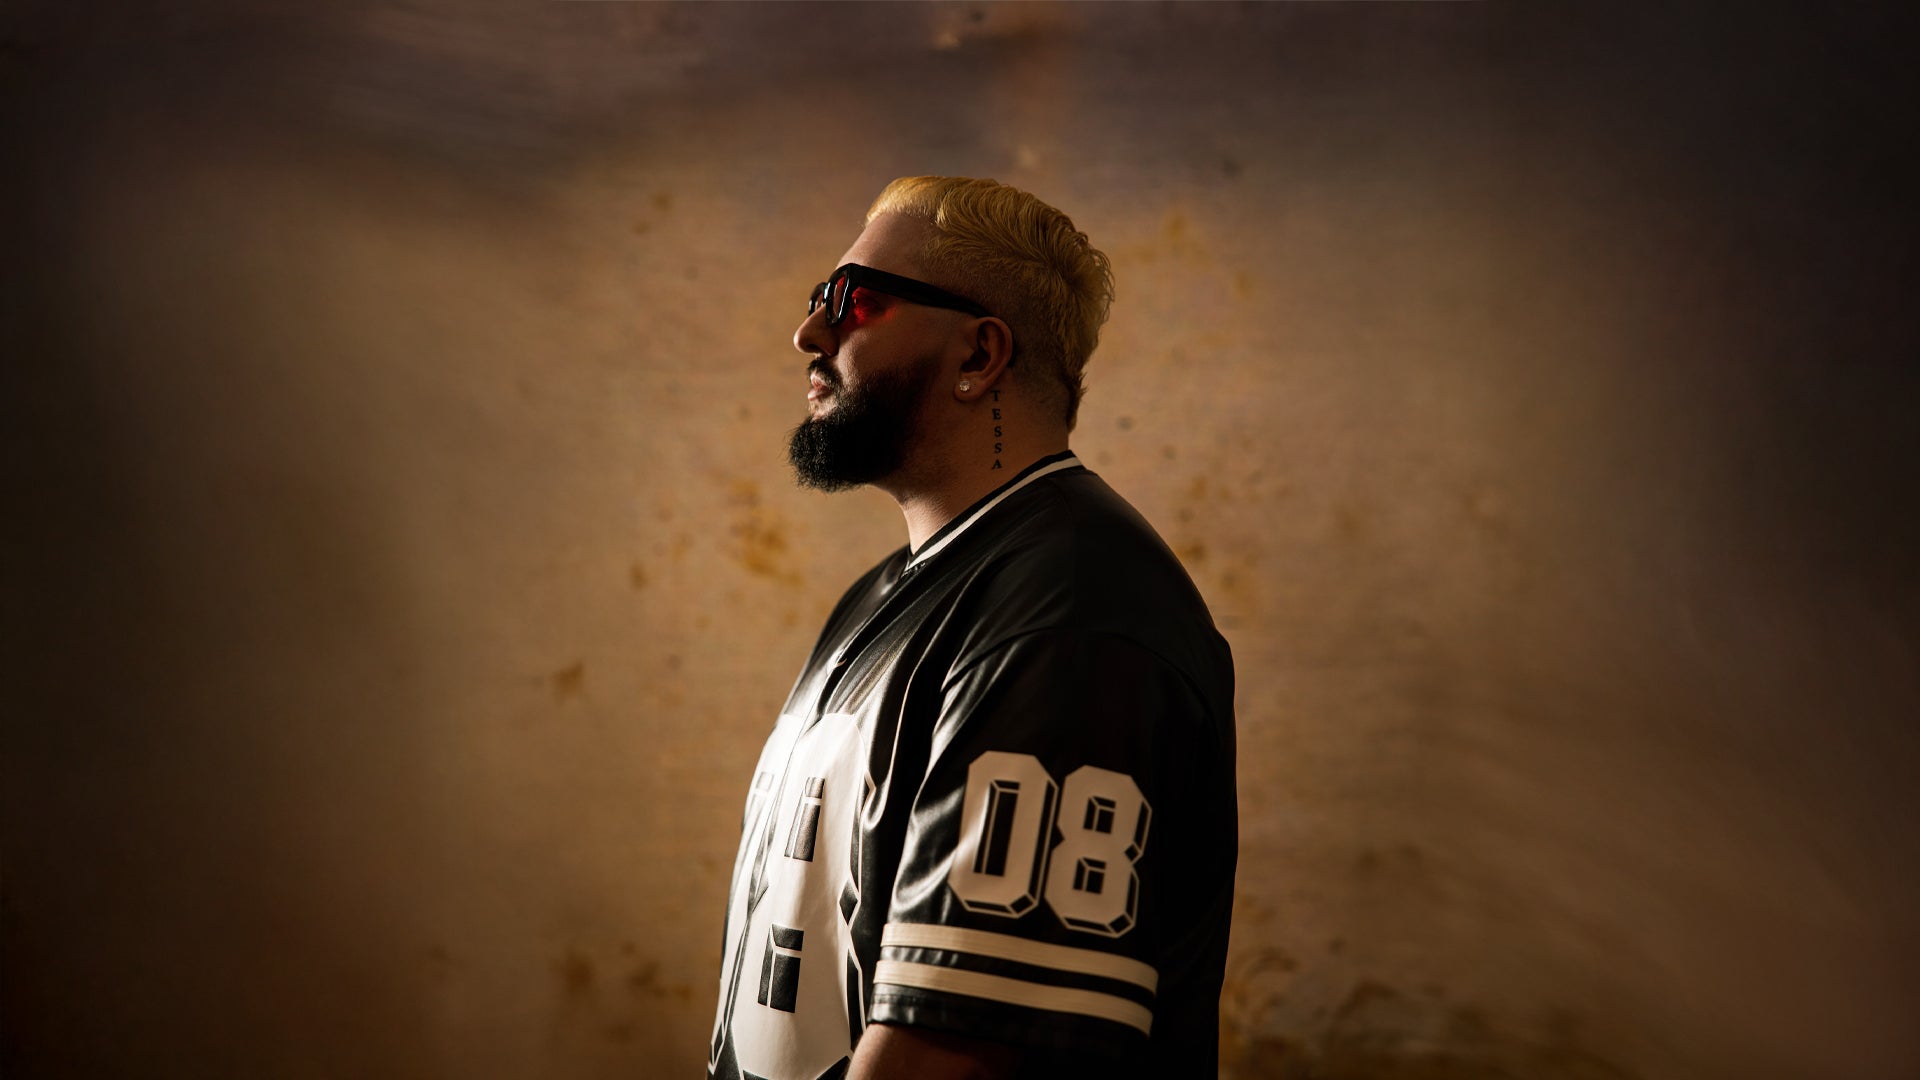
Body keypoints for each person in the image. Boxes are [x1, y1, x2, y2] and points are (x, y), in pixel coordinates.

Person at [708, 177, 1237, 1080]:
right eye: (817, 298)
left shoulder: (1073, 611)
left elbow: (954, 1052)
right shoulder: (889, 593)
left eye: (853, 301)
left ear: (981, 354)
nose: (809, 333)